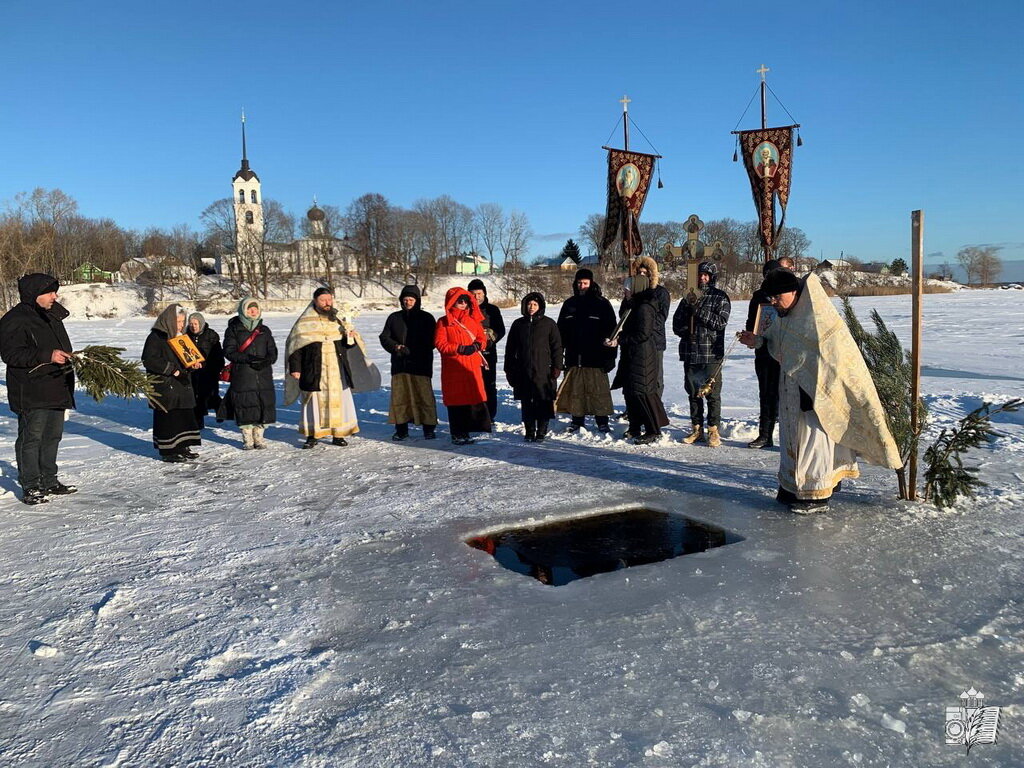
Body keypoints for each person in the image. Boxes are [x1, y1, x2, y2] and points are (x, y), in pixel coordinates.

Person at [739, 270, 901, 514]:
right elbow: (777, 340)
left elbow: (833, 359)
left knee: (813, 444)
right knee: (791, 441)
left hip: (816, 395)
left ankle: (815, 493)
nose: (773, 302)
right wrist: (757, 340)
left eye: (776, 297)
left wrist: (814, 382)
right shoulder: (786, 314)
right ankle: (792, 487)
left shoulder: (817, 317)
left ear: (793, 292)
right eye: (770, 298)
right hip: (790, 391)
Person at [0, 273, 77, 504]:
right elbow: (11, 354)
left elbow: (60, 346)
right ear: (35, 294)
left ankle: (49, 480)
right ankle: (31, 485)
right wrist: (48, 355)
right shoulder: (15, 319)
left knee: (52, 436)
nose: (55, 296)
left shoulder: (51, 315)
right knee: (31, 438)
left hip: (56, 385)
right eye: (50, 292)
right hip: (31, 389)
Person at [284, 287, 361, 448]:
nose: (327, 303)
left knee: (338, 401)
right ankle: (312, 435)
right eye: (323, 300)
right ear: (315, 301)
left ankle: (338, 434)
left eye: (329, 300)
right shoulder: (304, 322)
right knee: (313, 403)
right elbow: (295, 347)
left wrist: (350, 337)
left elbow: (346, 347)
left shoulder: (338, 319)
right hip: (314, 369)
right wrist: (295, 368)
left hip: (336, 370)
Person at [672, 261, 732, 447]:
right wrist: (686, 331)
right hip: (691, 352)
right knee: (693, 393)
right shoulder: (687, 297)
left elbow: (720, 322)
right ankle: (696, 428)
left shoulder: (719, 297)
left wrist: (699, 312)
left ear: (712, 277)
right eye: (700, 275)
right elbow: (676, 324)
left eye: (706, 275)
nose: (702, 278)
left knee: (712, 394)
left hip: (711, 353)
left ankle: (713, 429)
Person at [555, 268, 617, 433]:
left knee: (598, 392)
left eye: (585, 283)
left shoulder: (602, 304)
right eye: (579, 283)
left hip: (596, 357)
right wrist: (559, 355)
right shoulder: (569, 304)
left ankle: (602, 421)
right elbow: (560, 332)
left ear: (591, 283)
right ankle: (577, 420)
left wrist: (611, 356)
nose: (582, 286)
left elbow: (613, 332)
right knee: (577, 392)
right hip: (574, 357)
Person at [610, 274, 669, 444]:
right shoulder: (632, 305)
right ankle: (634, 427)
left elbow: (643, 333)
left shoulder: (645, 307)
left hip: (643, 356)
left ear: (636, 288)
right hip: (632, 353)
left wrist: (621, 340)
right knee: (630, 392)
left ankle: (653, 430)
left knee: (643, 392)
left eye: (627, 288)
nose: (624, 291)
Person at [142, 304, 203, 462]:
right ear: (169, 320)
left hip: (181, 384)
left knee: (183, 415)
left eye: (183, 321)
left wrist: (193, 364)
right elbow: (149, 360)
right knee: (169, 418)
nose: (182, 325)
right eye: (178, 321)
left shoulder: (181, 337)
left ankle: (183, 446)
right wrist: (172, 370)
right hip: (165, 385)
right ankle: (169, 451)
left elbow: (187, 357)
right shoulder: (157, 336)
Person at [744, 257, 794, 448]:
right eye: (766, 275)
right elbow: (752, 321)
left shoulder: (789, 296)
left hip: (785, 352)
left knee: (789, 395)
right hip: (764, 352)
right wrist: (751, 335)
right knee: (766, 394)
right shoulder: (758, 297)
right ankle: (765, 434)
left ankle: (791, 438)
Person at [379, 284, 438, 441]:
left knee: (424, 397)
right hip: (400, 365)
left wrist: (416, 350)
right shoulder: (394, 317)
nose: (408, 302)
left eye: (411, 299)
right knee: (400, 398)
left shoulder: (427, 318)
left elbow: (434, 340)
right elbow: (384, 337)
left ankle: (429, 428)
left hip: (421, 365)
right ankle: (401, 429)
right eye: (405, 299)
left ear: (417, 300)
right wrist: (396, 347)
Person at [435, 287, 491, 445]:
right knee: (455, 402)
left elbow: (482, 338)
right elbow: (440, 344)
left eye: (465, 300)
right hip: (453, 367)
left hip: (471, 367)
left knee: (469, 401)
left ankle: (466, 431)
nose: (462, 303)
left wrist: (477, 346)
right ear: (452, 302)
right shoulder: (443, 322)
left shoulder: (472, 320)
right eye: (459, 300)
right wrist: (458, 348)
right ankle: (456, 433)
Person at [219, 298, 277, 449]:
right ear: (243, 310)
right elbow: (229, 351)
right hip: (243, 374)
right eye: (250, 309)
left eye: (255, 308)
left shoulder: (265, 330)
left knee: (262, 404)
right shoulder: (233, 329)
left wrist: (267, 361)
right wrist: (248, 358)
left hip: (263, 375)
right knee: (245, 404)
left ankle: (259, 438)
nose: (253, 311)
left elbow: (273, 351)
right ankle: (247, 439)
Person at [504, 292, 562, 442]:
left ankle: (541, 431)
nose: (531, 307)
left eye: (535, 304)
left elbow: (557, 347)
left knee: (543, 401)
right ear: (525, 305)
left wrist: (557, 366)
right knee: (527, 401)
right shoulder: (518, 324)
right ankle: (529, 431)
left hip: (544, 370)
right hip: (523, 370)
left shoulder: (549, 324)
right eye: (529, 304)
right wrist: (509, 368)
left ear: (540, 306)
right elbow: (510, 348)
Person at [467, 278, 505, 421]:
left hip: (488, 353)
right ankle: (473, 415)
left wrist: (490, 337)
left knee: (488, 385)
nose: (477, 297)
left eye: (479, 293)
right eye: (473, 294)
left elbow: (500, 330)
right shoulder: (465, 309)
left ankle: (489, 415)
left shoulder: (492, 310)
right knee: (472, 385)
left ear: (484, 294)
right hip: (470, 353)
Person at [185, 312, 224, 430]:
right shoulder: (185, 336)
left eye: (195, 324)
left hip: (209, 371)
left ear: (201, 323)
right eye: (191, 324)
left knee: (212, 396)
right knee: (196, 398)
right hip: (193, 372)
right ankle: (199, 422)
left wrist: (212, 367)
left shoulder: (211, 335)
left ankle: (220, 411)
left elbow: (218, 356)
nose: (193, 326)